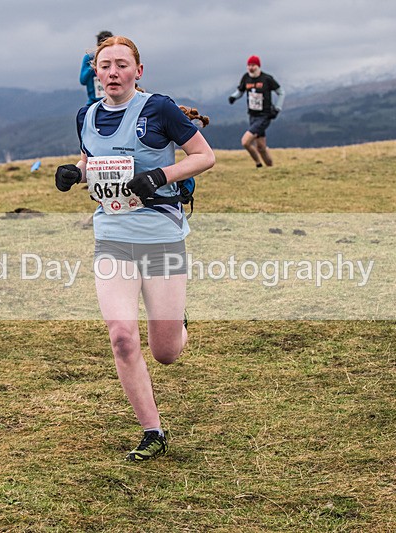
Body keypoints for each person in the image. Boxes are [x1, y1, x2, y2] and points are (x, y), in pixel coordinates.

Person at [55, 36, 215, 461]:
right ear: (95, 71)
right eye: (104, 65)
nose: (112, 72)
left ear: (137, 71)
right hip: (111, 237)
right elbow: (94, 160)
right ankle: (153, 431)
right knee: (123, 338)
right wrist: (76, 171)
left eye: (121, 65)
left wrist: (161, 175)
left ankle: (176, 322)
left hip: (162, 237)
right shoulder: (86, 114)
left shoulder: (158, 108)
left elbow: (204, 156)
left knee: (165, 353)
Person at [228, 55, 284, 167]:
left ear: (258, 66)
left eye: (253, 65)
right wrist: (233, 97)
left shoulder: (267, 79)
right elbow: (240, 91)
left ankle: (258, 163)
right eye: (248, 65)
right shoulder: (246, 78)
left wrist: (277, 108)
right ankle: (270, 167)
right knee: (261, 147)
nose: (250, 68)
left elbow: (281, 92)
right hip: (252, 116)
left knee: (245, 141)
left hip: (264, 116)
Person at [79, 31, 113, 105]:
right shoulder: (89, 58)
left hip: (113, 101)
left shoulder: (116, 58)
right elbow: (83, 80)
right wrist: (93, 64)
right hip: (93, 102)